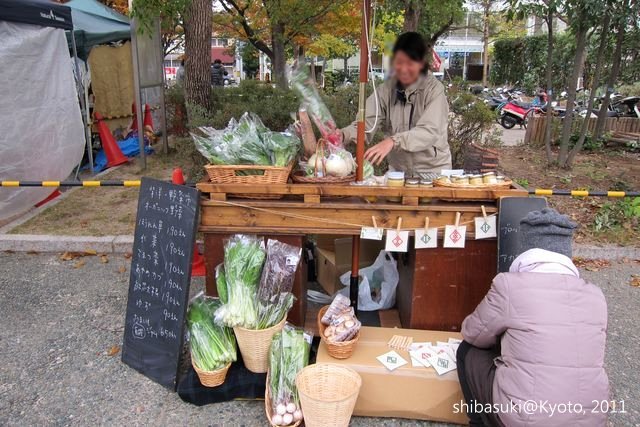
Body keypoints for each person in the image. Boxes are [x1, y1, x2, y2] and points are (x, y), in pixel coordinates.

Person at [457, 208, 609, 427]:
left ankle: (479, 421)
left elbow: (473, 333)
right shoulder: (595, 294)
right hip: (592, 419)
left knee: (467, 351)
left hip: (526, 418)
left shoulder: (509, 285)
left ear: (525, 249)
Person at [341, 32, 451, 177]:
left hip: (433, 172)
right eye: (399, 62)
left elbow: (429, 131)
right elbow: (366, 124)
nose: (403, 69)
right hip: (398, 173)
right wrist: (343, 135)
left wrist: (394, 141)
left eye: (410, 63)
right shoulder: (386, 90)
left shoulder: (434, 90)